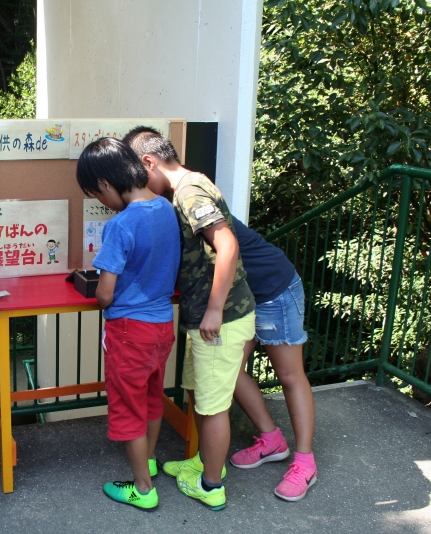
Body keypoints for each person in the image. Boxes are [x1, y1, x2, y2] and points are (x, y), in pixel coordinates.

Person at [123, 127, 255, 511]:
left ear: (149, 162)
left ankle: (211, 485)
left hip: (222, 318)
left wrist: (215, 308)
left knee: (213, 406)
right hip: (206, 317)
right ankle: (203, 462)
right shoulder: (191, 184)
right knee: (199, 394)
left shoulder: (188, 192)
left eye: (137, 174)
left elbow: (226, 243)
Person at [75, 138, 181, 511]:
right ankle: (148, 462)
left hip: (128, 332)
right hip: (162, 326)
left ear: (105, 183)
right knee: (152, 399)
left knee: (128, 407)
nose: (101, 202)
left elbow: (104, 294)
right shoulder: (165, 209)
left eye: (95, 194)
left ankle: (142, 488)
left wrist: (94, 290)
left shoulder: (120, 225)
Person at [229, 215, 317, 501]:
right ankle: (272, 441)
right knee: (229, 368)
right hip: (243, 296)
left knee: (290, 376)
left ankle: (305, 464)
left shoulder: (192, 198)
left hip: (273, 290)